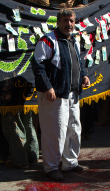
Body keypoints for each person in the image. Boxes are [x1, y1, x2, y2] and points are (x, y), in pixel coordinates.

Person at [32, 9, 90, 180]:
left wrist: (84, 75)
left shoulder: (73, 41)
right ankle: (51, 168)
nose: (69, 24)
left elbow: (79, 62)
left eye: (71, 21)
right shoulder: (48, 40)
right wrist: (47, 87)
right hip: (54, 96)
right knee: (55, 133)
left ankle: (70, 163)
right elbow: (38, 65)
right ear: (58, 22)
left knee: (74, 129)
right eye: (65, 21)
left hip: (72, 94)